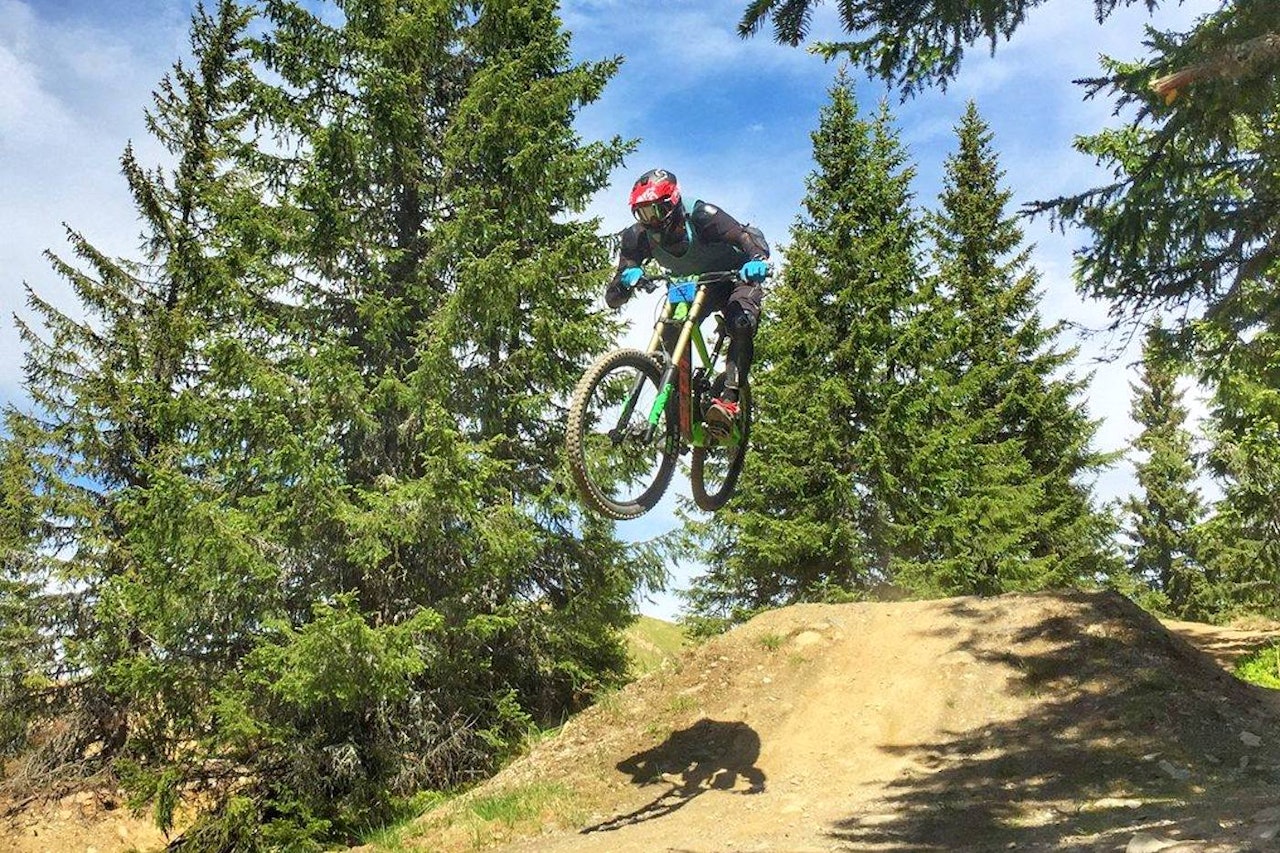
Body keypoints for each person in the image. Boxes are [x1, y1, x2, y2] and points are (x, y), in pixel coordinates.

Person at [605, 168, 770, 431]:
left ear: (672, 204)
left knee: (740, 323)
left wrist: (757, 260)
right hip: (697, 283)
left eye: (654, 211)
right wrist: (626, 279)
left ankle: (729, 400)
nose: (650, 221)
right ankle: (681, 413)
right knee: (670, 333)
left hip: (735, 277)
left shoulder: (702, 217)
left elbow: (744, 236)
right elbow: (612, 298)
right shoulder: (636, 236)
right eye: (641, 213)